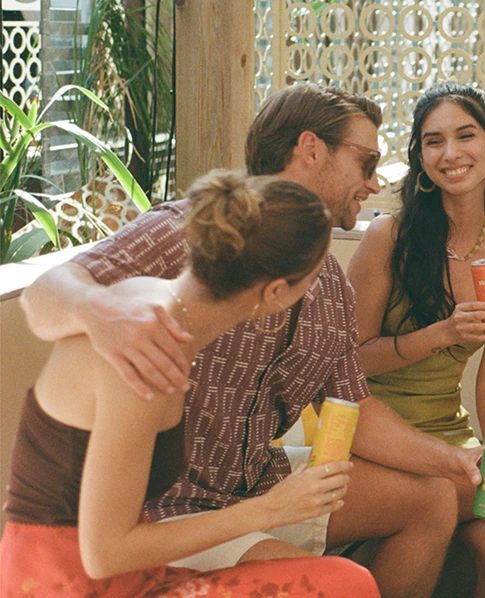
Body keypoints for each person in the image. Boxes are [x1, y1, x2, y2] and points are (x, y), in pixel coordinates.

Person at [19, 83, 485, 598]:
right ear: (311, 149)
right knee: (343, 586)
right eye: (366, 161)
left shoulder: (327, 282)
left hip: (257, 478)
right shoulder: (191, 239)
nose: (375, 182)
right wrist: (99, 311)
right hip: (168, 512)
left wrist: (454, 460)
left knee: (435, 498)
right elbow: (43, 293)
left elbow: (353, 407)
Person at [0, 171, 379, 596]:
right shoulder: (147, 350)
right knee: (344, 587)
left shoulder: (158, 307)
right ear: (276, 293)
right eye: (316, 279)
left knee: (346, 582)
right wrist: (269, 510)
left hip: (122, 574)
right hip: (62, 582)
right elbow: (102, 552)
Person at [347, 82, 485, 598]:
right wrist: (441, 333)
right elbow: (348, 362)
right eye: (433, 141)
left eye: (465, 136)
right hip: (372, 434)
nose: (450, 154)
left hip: (450, 431)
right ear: (420, 158)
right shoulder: (388, 237)